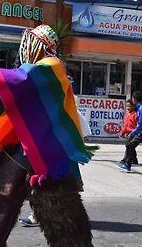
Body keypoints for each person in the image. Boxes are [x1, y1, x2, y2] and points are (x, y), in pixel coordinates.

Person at [0, 24, 97, 247]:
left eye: (27, 44)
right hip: (22, 147)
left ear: (38, 45)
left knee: (59, 212)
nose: (24, 50)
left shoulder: (53, 65)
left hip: (46, 154)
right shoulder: (40, 68)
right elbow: (14, 92)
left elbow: (22, 80)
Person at [19, 94, 91, 227]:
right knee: (42, 187)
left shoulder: (68, 109)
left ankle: (43, 216)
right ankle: (40, 215)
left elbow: (79, 134)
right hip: (47, 156)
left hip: (59, 159)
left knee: (56, 189)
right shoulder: (47, 107)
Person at [119, 99, 139, 165]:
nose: (128, 108)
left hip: (133, 133)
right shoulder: (127, 115)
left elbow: (137, 125)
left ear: (133, 106)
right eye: (127, 106)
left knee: (128, 146)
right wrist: (122, 132)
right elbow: (125, 125)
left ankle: (125, 159)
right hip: (128, 134)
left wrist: (135, 132)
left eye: (129, 106)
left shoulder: (135, 115)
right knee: (131, 146)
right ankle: (134, 159)